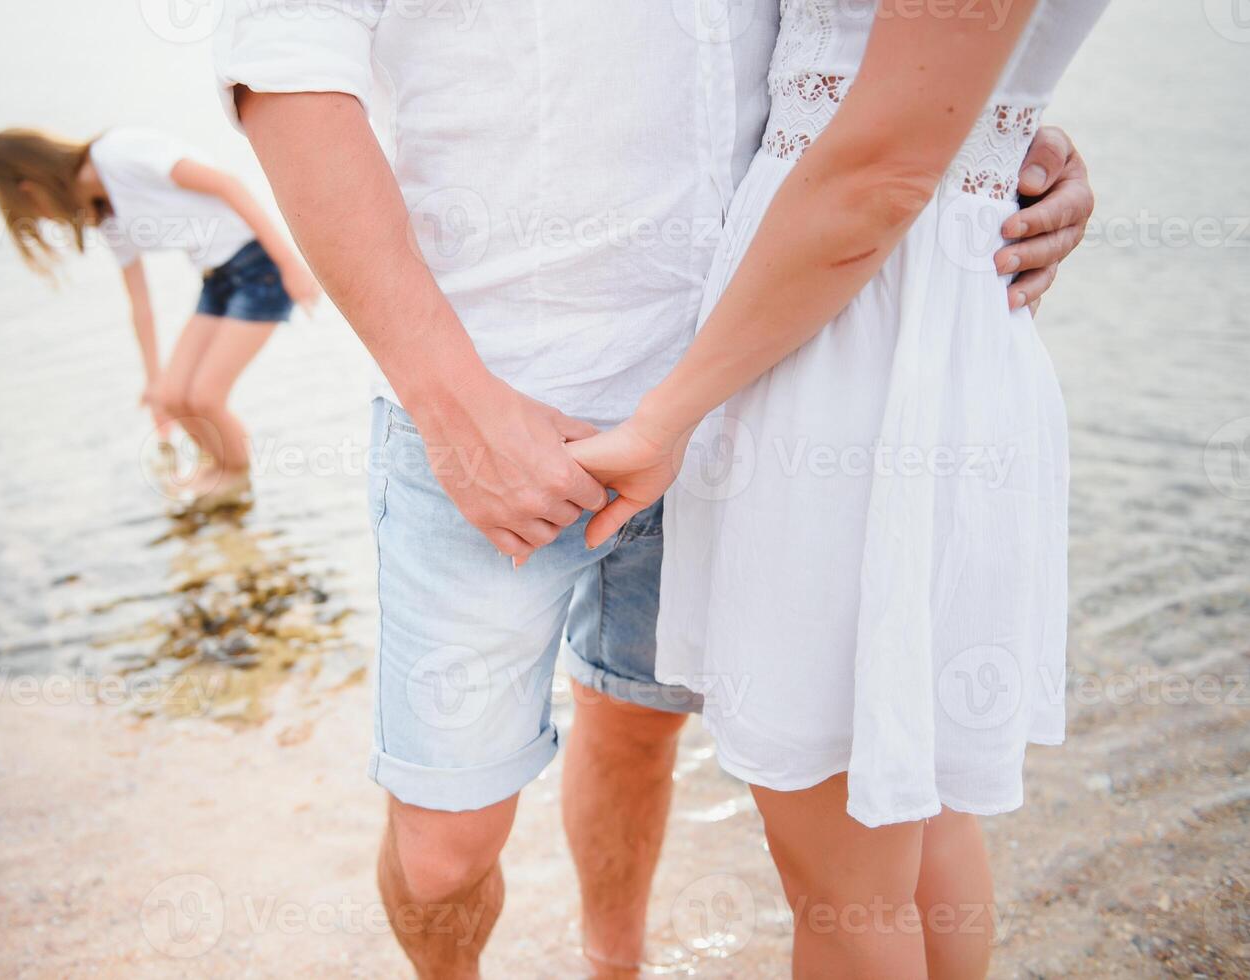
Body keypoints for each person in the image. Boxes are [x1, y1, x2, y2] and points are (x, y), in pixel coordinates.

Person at [215, 1, 1097, 974]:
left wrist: (992, 138)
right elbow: (285, 69)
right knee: (442, 849)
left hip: (755, 401)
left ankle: (613, 963)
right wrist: (448, 399)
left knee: (653, 731)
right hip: (487, 406)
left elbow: (889, 90)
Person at [566, 0, 1109, 974]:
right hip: (904, 320)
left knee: (841, 884)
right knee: (913, 813)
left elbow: (878, 172)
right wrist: (1015, 128)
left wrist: (666, 416)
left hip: (846, 350)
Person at [0, 126, 320, 511]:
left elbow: (228, 185)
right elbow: (139, 302)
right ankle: (220, 470)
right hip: (217, 279)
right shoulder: (104, 213)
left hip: (259, 266)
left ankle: (236, 482)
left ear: (28, 187)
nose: (47, 219)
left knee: (206, 397)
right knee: (171, 396)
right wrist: (152, 380)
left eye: (33, 213)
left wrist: (290, 264)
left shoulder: (119, 154)